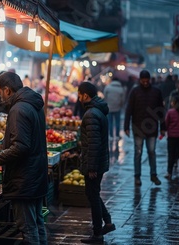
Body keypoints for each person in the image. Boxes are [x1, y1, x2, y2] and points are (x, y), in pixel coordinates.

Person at [0, 72, 48, 244]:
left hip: (24, 178)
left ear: (7, 90)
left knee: (28, 228)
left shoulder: (18, 109)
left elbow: (20, 147)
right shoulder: (34, 105)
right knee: (37, 223)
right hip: (36, 174)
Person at [77, 82, 115, 244]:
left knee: (92, 195)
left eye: (80, 95)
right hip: (99, 161)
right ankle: (107, 222)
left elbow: (93, 142)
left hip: (94, 163)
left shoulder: (91, 114)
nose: (78, 98)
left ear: (86, 95)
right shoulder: (97, 111)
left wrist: (91, 167)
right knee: (93, 193)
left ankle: (97, 234)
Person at [124, 70, 166, 186]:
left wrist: (163, 127)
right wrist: (126, 126)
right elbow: (129, 109)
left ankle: (153, 175)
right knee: (138, 153)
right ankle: (137, 176)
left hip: (151, 128)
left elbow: (161, 110)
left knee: (152, 151)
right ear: (140, 80)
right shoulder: (135, 92)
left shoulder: (156, 92)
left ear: (149, 80)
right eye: (143, 81)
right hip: (138, 128)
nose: (145, 83)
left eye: (147, 80)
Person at [164, 95, 179, 182]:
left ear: (174, 103)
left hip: (172, 137)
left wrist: (164, 131)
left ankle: (169, 173)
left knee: (171, 155)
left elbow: (166, 124)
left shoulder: (170, 112)